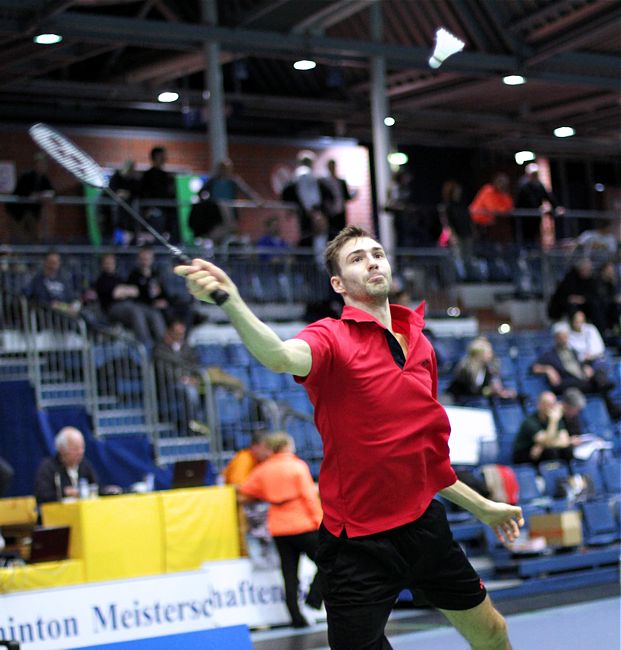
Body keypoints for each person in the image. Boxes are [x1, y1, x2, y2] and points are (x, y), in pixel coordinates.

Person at [175, 225, 523, 650]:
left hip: (423, 527)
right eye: (357, 258)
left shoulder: (421, 347)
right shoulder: (331, 338)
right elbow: (279, 356)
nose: (373, 261)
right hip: (357, 544)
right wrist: (229, 300)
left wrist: (485, 508)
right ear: (338, 284)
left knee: (493, 633)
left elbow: (430, 463)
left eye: (377, 253)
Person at [240, 432, 323, 628]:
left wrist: (268, 496)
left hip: (278, 526)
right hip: (303, 523)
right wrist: (319, 520)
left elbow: (244, 493)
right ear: (286, 446)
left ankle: (295, 616)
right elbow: (309, 496)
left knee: (289, 573)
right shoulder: (297, 466)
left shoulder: (262, 470)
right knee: (329, 561)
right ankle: (314, 597)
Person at [531, 322, 620, 420]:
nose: (565, 339)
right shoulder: (549, 355)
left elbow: (580, 365)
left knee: (598, 371)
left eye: (566, 336)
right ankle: (604, 386)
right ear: (556, 338)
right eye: (562, 336)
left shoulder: (573, 351)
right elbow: (532, 368)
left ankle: (602, 383)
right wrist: (548, 369)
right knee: (592, 386)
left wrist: (585, 368)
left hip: (580, 380)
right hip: (565, 383)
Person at [94, 253, 165, 345]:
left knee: (154, 313)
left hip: (129, 304)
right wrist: (124, 291)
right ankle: (146, 344)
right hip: (113, 308)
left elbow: (135, 291)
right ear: (102, 265)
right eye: (107, 263)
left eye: (111, 262)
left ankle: (164, 345)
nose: (109, 265)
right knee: (136, 311)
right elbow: (116, 294)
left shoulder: (119, 277)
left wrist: (123, 291)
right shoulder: (101, 280)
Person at [34, 427, 98, 504]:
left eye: (82, 448)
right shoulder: (48, 468)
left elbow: (96, 487)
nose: (80, 452)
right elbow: (42, 496)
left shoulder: (85, 466)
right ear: (62, 449)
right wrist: (65, 493)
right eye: (75, 449)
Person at [512, 391, 575, 466]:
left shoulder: (556, 418)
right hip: (525, 453)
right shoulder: (530, 421)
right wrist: (553, 421)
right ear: (539, 405)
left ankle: (568, 475)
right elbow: (546, 441)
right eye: (549, 404)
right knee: (550, 452)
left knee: (568, 450)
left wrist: (541, 446)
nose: (553, 407)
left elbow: (565, 441)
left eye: (554, 404)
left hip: (540, 450)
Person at [448, 337, 517, 404]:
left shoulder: (487, 368)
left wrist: (502, 391)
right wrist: (489, 391)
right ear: (479, 354)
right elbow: (472, 390)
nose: (491, 355)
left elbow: (491, 386)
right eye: (488, 352)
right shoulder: (465, 367)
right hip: (461, 401)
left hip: (475, 400)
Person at [547, 257, 605, 334]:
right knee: (572, 306)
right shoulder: (570, 278)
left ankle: (601, 332)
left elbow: (594, 295)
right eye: (586, 269)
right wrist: (575, 299)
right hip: (566, 306)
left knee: (595, 305)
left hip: (585, 304)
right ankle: (576, 330)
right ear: (580, 269)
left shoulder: (591, 279)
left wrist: (583, 299)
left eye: (589, 269)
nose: (588, 271)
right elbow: (564, 296)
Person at [7, 152, 54, 243]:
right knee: (19, 235)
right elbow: (20, 192)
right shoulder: (26, 176)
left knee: (33, 234)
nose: (42, 166)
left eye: (44, 164)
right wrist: (33, 195)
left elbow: (52, 191)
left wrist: (47, 195)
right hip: (18, 212)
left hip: (33, 212)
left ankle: (32, 251)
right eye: (40, 164)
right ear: (35, 165)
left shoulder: (44, 179)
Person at [514, 163, 562, 245]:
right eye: (533, 174)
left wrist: (556, 207)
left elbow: (548, 196)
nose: (534, 176)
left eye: (536, 174)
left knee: (533, 235)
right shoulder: (523, 186)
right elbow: (521, 201)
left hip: (535, 216)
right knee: (525, 236)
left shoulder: (538, 185)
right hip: (524, 217)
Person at [23, 250, 81, 316]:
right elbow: (40, 299)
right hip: (47, 316)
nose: (54, 265)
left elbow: (72, 297)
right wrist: (53, 305)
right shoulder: (38, 280)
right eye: (52, 262)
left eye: (56, 262)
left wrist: (74, 306)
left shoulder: (63, 280)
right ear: (45, 262)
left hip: (66, 316)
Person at [139, 146, 178, 243]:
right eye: (163, 155)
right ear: (156, 156)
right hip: (154, 212)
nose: (165, 158)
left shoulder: (167, 177)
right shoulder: (147, 176)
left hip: (168, 213)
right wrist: (147, 209)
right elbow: (144, 193)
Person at [439, 180, 474, 278]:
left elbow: (468, 219)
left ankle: (469, 276)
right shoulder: (447, 207)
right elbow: (447, 223)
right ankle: (459, 277)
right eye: (456, 191)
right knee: (457, 257)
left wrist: (472, 231)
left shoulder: (462, 205)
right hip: (456, 236)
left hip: (467, 234)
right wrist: (452, 235)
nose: (459, 193)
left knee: (468, 256)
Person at [101, 160, 140, 244]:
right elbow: (110, 192)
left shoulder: (134, 181)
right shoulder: (116, 178)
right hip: (115, 218)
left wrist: (128, 194)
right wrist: (118, 194)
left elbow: (137, 193)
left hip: (129, 217)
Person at [469, 173, 513, 241]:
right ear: (496, 183)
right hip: (479, 223)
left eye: (505, 184)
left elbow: (509, 207)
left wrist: (505, 195)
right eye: (501, 183)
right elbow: (492, 208)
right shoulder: (488, 190)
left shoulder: (503, 194)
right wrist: (503, 210)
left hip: (491, 224)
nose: (503, 186)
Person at [320, 159, 355, 239]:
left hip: (340, 211)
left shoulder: (341, 181)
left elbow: (346, 196)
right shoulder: (324, 182)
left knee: (341, 233)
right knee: (331, 233)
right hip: (329, 212)